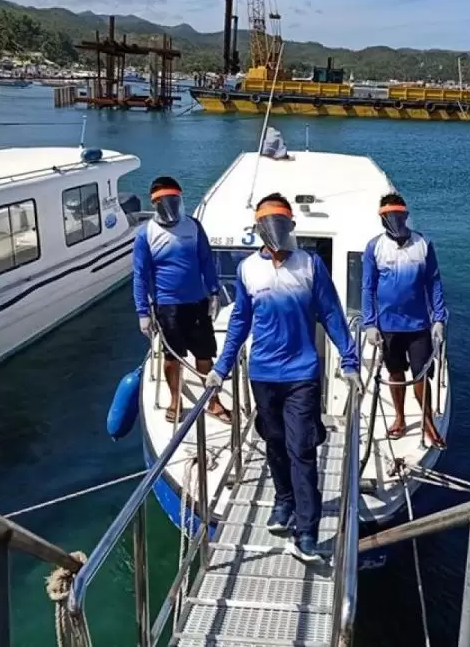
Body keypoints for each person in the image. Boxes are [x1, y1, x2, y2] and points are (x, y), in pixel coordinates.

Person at [207, 192, 359, 562]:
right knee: (274, 443)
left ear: (291, 226)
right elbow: (241, 321)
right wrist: (221, 367)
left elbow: (332, 314)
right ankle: (284, 500)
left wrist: (350, 359)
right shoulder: (247, 270)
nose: (275, 230)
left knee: (301, 451)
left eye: (281, 222)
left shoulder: (310, 265)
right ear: (258, 229)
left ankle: (307, 532)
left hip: (302, 374)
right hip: (262, 375)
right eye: (268, 223)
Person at [133, 176, 231, 424]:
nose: (170, 206)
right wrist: (143, 312)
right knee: (172, 356)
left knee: (205, 354)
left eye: (173, 201)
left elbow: (207, 261)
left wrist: (214, 292)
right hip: (168, 306)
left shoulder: (194, 227)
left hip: (197, 303)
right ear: (154, 203)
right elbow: (140, 277)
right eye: (164, 202)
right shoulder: (146, 235)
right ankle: (175, 399)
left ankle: (212, 400)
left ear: (180, 200)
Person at [361, 192, 447, 448]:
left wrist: (439, 318)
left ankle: (428, 421)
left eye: (398, 215)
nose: (395, 220)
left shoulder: (423, 244)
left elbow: (434, 282)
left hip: (419, 325)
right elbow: (368, 287)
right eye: (389, 216)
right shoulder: (374, 247)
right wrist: (370, 324)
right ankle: (399, 418)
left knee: (422, 375)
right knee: (395, 373)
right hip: (388, 327)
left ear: (406, 216)